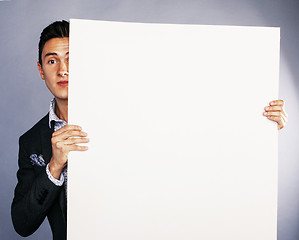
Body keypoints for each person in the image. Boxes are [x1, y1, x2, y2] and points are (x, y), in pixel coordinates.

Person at [11, 20, 288, 240]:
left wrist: (258, 128)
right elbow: (22, 224)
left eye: (72, 58)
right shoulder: (32, 142)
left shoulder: (132, 110)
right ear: (40, 70)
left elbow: (199, 139)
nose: (63, 70)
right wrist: (54, 166)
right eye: (52, 61)